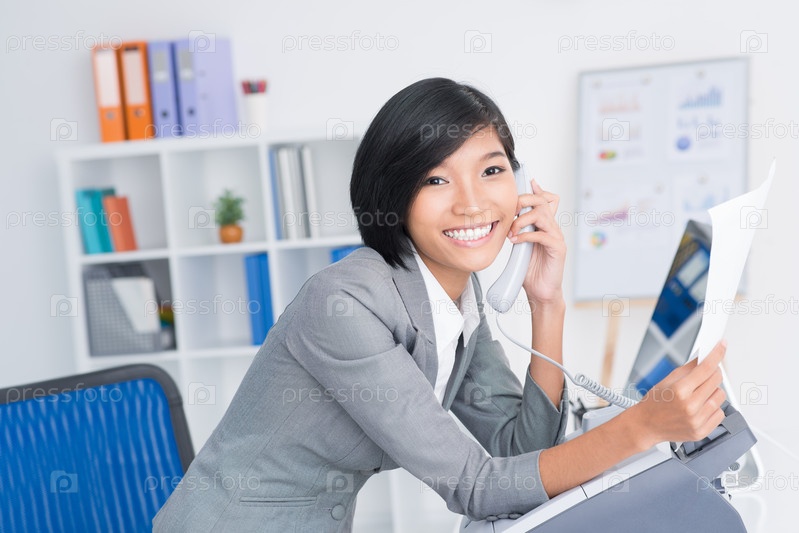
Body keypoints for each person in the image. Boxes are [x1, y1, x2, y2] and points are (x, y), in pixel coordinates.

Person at [152, 77, 727, 532]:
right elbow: (476, 486)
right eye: (435, 180)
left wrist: (546, 303)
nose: (472, 203)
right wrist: (642, 426)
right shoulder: (344, 304)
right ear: (393, 195)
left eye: (492, 170)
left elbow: (520, 450)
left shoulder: (455, 299)